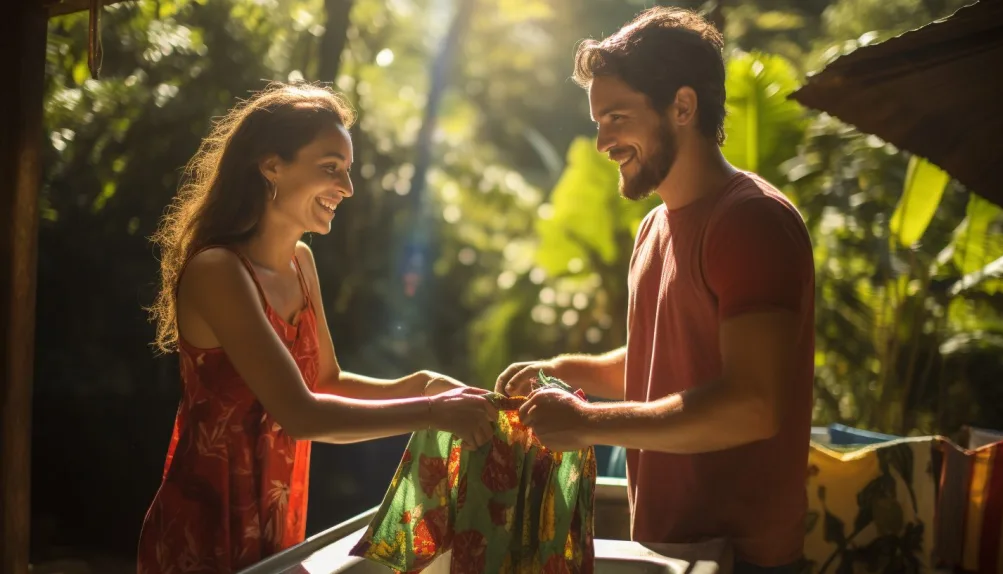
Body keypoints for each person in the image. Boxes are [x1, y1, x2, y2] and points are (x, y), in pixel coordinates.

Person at [498, 8, 814, 573]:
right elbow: (659, 365)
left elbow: (752, 406)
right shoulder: (656, 227)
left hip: (743, 559)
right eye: (598, 121)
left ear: (683, 107)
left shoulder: (751, 221)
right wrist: (562, 370)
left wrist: (588, 424)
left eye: (616, 117)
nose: (602, 142)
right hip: (669, 550)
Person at [137, 82, 497, 574]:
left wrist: (422, 385)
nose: (346, 189)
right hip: (208, 525)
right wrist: (432, 411)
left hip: (279, 519)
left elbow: (326, 381)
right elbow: (302, 414)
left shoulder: (301, 263)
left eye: (347, 172)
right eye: (330, 169)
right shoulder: (218, 270)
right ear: (271, 165)